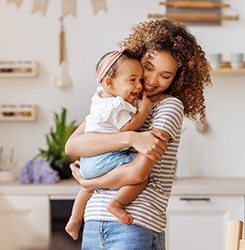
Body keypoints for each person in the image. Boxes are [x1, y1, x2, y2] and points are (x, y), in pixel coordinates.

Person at [65, 18, 212, 250]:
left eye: (165, 76)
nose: (152, 81)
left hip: (134, 225)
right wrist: (131, 137)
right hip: (93, 222)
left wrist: (87, 181)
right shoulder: (117, 102)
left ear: (178, 78)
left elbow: (137, 173)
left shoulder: (169, 106)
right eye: (148, 68)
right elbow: (73, 146)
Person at [65, 48, 154, 240]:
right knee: (141, 175)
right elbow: (128, 128)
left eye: (140, 79)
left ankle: (74, 218)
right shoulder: (116, 105)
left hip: (88, 161)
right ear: (110, 82)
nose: (139, 86)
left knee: (87, 188)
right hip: (105, 158)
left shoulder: (99, 99)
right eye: (133, 80)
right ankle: (117, 204)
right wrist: (144, 110)